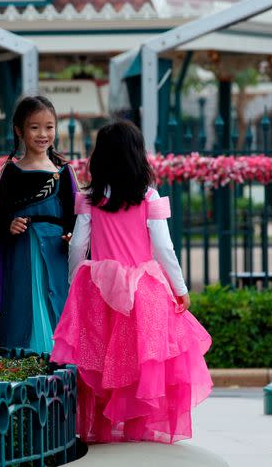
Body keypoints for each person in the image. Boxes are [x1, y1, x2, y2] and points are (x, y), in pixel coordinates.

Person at [51, 120, 212, 444]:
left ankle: (102, 429)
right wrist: (179, 288)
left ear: (100, 158)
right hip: (144, 290)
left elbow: (79, 245)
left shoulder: (90, 198)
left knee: (99, 361)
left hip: (98, 288)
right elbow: (164, 249)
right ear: (137, 156)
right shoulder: (148, 197)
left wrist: (74, 283)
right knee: (141, 363)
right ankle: (137, 429)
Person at [0, 95, 78, 353]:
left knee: (58, 308)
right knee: (24, 310)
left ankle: (59, 369)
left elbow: (76, 220)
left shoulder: (64, 173)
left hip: (57, 256)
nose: (43, 134)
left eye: (49, 127)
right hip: (21, 256)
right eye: (34, 127)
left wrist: (71, 236)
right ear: (19, 131)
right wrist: (10, 226)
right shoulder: (10, 172)